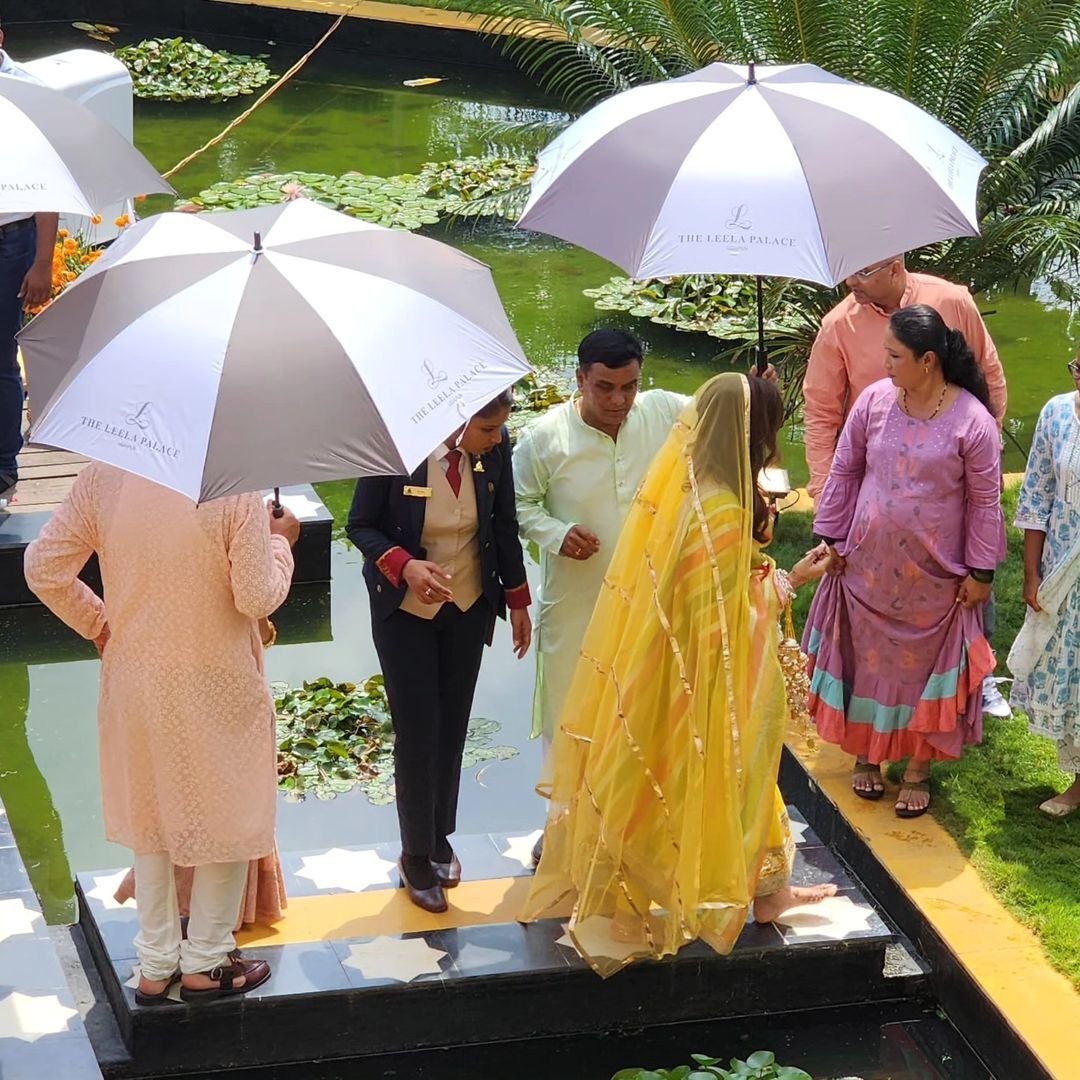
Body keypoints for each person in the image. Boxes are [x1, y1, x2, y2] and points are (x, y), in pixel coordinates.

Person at [520, 373, 834, 977]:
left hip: (675, 667)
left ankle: (762, 891)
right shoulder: (721, 509)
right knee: (728, 776)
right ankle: (705, 891)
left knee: (693, 775)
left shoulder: (693, 488)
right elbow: (722, 615)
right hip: (713, 678)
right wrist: (791, 579)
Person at [24, 464, 299, 1003]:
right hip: (216, 679)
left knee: (150, 817)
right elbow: (256, 598)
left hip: (135, 679)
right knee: (230, 812)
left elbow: (43, 568)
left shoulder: (104, 476)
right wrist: (280, 542)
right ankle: (207, 960)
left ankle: (155, 963)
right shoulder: (231, 484)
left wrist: (99, 623)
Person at [804, 305, 1006, 817]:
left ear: (928, 360)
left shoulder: (973, 422)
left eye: (894, 355)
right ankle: (867, 754)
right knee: (867, 662)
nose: (885, 363)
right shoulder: (873, 401)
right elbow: (846, 471)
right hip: (865, 570)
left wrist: (981, 572)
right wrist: (831, 537)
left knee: (920, 672)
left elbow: (985, 503)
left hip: (935, 581)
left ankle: (917, 768)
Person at [347, 390, 532, 914]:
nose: (496, 440)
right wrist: (404, 564)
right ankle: (414, 853)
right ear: (458, 422)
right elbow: (359, 525)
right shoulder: (393, 449)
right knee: (417, 731)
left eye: (499, 431)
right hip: (405, 611)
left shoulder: (494, 449)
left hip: (468, 605)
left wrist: (518, 599)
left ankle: (439, 835)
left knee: (452, 726)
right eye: (487, 430)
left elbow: (503, 525)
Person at [513, 329, 689, 754]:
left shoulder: (662, 410)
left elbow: (720, 410)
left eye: (630, 387)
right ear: (580, 379)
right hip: (577, 605)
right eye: (604, 388)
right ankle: (567, 799)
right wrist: (557, 534)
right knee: (571, 718)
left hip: (649, 601)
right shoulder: (544, 438)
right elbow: (516, 505)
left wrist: (752, 390)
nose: (618, 400)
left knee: (643, 722)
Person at [1007, 356, 1080, 819]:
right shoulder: (1056, 413)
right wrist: (1031, 573)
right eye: (1078, 368)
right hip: (1062, 572)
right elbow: (1036, 497)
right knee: (1071, 674)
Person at [0, 20, 58, 501]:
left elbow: (50, 183)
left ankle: (3, 465)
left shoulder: (29, 94)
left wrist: (43, 262)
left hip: (11, 237)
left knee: (1, 357)